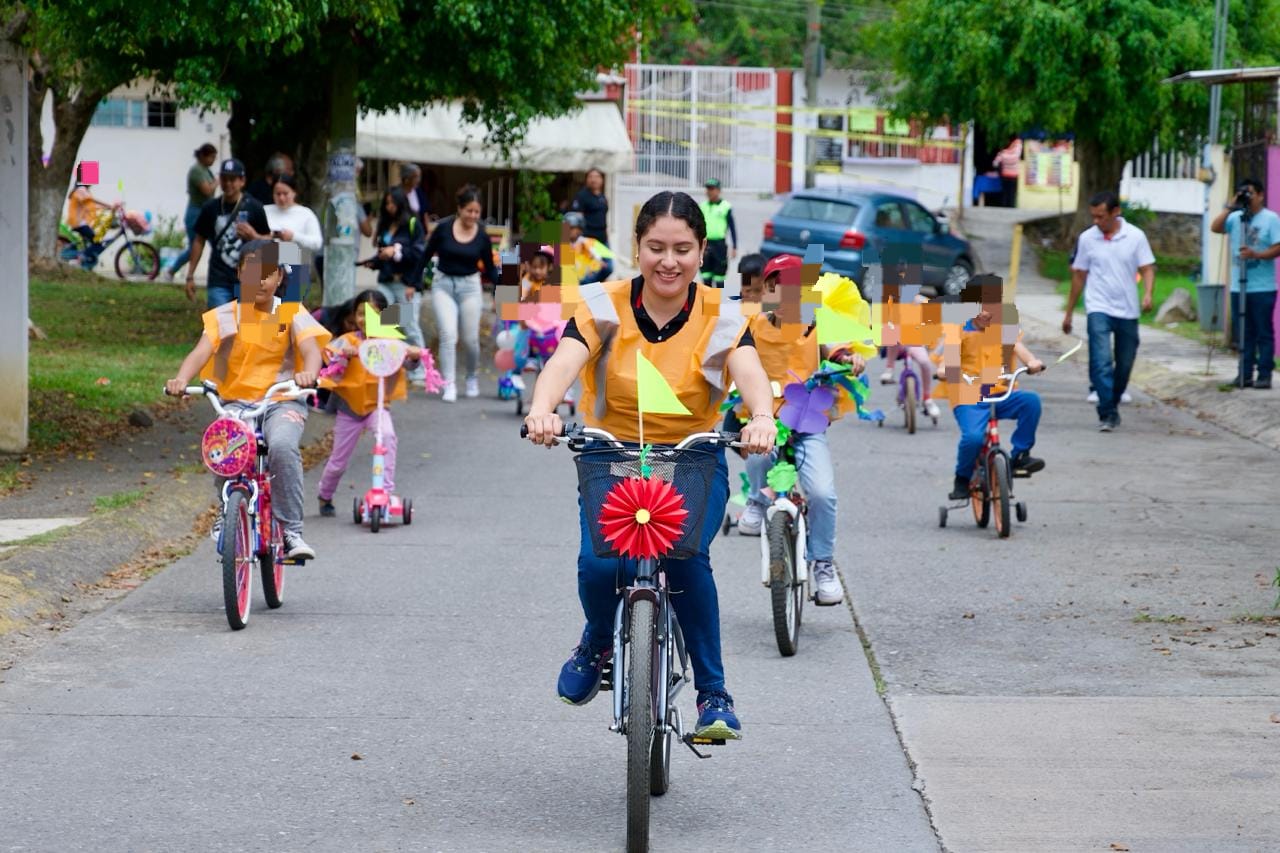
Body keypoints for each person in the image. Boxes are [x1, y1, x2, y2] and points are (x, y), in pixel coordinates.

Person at [523, 190, 777, 740]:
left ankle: (714, 694)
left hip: (692, 457)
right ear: (636, 247)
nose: (669, 260)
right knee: (600, 565)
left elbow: (750, 370)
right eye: (656, 247)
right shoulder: (601, 304)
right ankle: (596, 641)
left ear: (702, 251)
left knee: (684, 558)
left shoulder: (722, 311)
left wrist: (761, 417)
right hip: (610, 453)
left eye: (682, 248)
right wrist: (542, 409)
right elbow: (562, 362)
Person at [165, 239, 329, 560]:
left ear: (280, 277)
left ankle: (292, 531)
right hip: (236, 402)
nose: (261, 280)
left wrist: (309, 373)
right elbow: (200, 353)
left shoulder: (291, 312)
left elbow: (311, 350)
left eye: (269, 273)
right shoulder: (225, 316)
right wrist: (181, 380)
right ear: (240, 274)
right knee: (223, 444)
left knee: (281, 445)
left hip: (281, 399)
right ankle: (226, 510)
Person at [731, 254, 865, 607]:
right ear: (768, 291)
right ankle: (759, 501)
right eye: (779, 287)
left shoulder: (817, 326)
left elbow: (836, 351)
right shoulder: (753, 327)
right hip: (766, 419)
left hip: (807, 424)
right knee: (757, 449)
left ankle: (822, 564)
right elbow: (732, 359)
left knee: (822, 493)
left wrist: (849, 359)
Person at [315, 289, 425, 517]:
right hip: (349, 408)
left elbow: (408, 362)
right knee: (338, 462)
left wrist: (414, 356)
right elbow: (331, 367)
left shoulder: (390, 342)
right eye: (361, 314)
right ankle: (325, 494)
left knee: (387, 436)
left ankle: (384, 491)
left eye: (373, 314)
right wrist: (343, 355)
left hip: (377, 406)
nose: (365, 320)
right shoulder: (348, 340)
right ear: (354, 316)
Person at [946, 275, 1045, 500]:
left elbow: (1021, 350)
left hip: (1002, 393)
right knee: (972, 438)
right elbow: (947, 361)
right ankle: (962, 478)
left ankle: (1020, 455)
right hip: (970, 396)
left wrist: (1032, 363)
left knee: (1031, 402)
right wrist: (945, 370)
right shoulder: (959, 330)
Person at [1062, 191, 1155, 431]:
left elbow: (1147, 268)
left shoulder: (1135, 236)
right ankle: (1107, 412)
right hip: (1098, 306)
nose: (1096, 221)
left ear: (1116, 212)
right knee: (1101, 360)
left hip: (1127, 309)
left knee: (1124, 362)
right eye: (1093, 216)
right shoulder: (1087, 239)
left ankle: (1111, 401)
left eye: (1101, 216)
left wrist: (1147, 293)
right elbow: (1079, 275)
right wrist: (1070, 312)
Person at [423, 185, 501, 401]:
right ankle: (449, 384)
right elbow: (426, 254)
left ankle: (471, 376)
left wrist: (502, 290)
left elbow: (490, 268)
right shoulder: (443, 229)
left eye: (477, 212)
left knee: (470, 339)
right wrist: (412, 282)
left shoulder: (482, 235)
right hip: (443, 285)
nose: (473, 216)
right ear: (459, 209)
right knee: (448, 335)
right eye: (469, 211)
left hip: (470, 286)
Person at [1210, 178, 1280, 390]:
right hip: (1238, 287)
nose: (1247, 198)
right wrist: (1232, 205)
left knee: (1262, 332)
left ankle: (1265, 373)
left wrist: (1256, 254)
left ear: (1260, 195)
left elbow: (1278, 247)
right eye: (1244, 194)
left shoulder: (1271, 219)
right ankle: (1244, 373)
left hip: (1262, 287)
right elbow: (1215, 227)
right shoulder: (1235, 217)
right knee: (1243, 332)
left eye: (1250, 194)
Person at [185, 158, 273, 309]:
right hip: (219, 278)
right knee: (220, 326)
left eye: (233, 179)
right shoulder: (210, 208)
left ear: (242, 181)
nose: (228, 184)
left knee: (246, 327)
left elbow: (268, 240)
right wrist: (190, 275)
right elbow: (199, 240)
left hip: (249, 278)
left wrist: (253, 236)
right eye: (224, 179)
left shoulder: (255, 207)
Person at [363, 188, 427, 382]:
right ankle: (385, 366)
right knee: (381, 321)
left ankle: (420, 370)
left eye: (393, 203)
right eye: (387, 203)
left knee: (408, 326)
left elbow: (419, 254)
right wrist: (375, 261)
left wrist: (397, 253)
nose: (390, 207)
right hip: (386, 281)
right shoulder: (384, 224)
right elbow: (384, 253)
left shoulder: (412, 224)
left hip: (405, 284)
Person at [166, 143, 218, 279]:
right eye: (211, 157)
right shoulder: (196, 171)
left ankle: (220, 275)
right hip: (196, 213)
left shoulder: (206, 170)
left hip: (207, 212)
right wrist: (218, 182)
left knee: (218, 244)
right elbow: (207, 190)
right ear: (203, 156)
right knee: (194, 247)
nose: (213, 160)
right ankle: (172, 270)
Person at [265, 174, 323, 255]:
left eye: (285, 194)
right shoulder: (265, 210)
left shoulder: (306, 214)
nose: (281, 198)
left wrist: (293, 236)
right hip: (266, 258)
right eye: (278, 194)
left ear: (294, 192)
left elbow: (317, 243)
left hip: (296, 259)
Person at [698, 178, 737, 286]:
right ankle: (709, 303)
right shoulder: (703, 206)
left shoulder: (726, 207)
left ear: (719, 190)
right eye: (707, 189)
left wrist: (734, 246)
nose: (709, 191)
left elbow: (732, 227)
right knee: (706, 277)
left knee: (719, 278)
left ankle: (716, 302)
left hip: (719, 245)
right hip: (706, 244)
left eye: (712, 189)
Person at [64, 184, 110, 269]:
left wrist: (107, 207)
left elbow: (91, 204)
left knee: (93, 242)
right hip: (79, 224)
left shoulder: (82, 191)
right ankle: (80, 259)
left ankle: (86, 260)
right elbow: (91, 203)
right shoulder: (81, 190)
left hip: (80, 223)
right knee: (98, 244)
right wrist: (109, 206)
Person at [563, 211, 615, 284]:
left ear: (579, 229)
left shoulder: (590, 242)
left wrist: (598, 264)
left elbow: (608, 266)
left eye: (571, 227)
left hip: (587, 283)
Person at [570, 167, 610, 245]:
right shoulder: (581, 196)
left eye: (597, 177)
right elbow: (576, 220)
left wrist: (607, 236)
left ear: (602, 180)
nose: (593, 180)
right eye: (590, 176)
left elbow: (603, 219)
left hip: (603, 239)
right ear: (586, 179)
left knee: (610, 257)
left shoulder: (603, 197)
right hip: (588, 239)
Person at [993, 135, 1022, 208]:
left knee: (1006, 193)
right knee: (1011, 193)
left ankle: (1006, 207)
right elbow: (1015, 157)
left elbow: (995, 163)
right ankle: (1011, 207)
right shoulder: (1017, 145)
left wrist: (1003, 156)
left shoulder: (1003, 152)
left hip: (1006, 174)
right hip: (1013, 175)